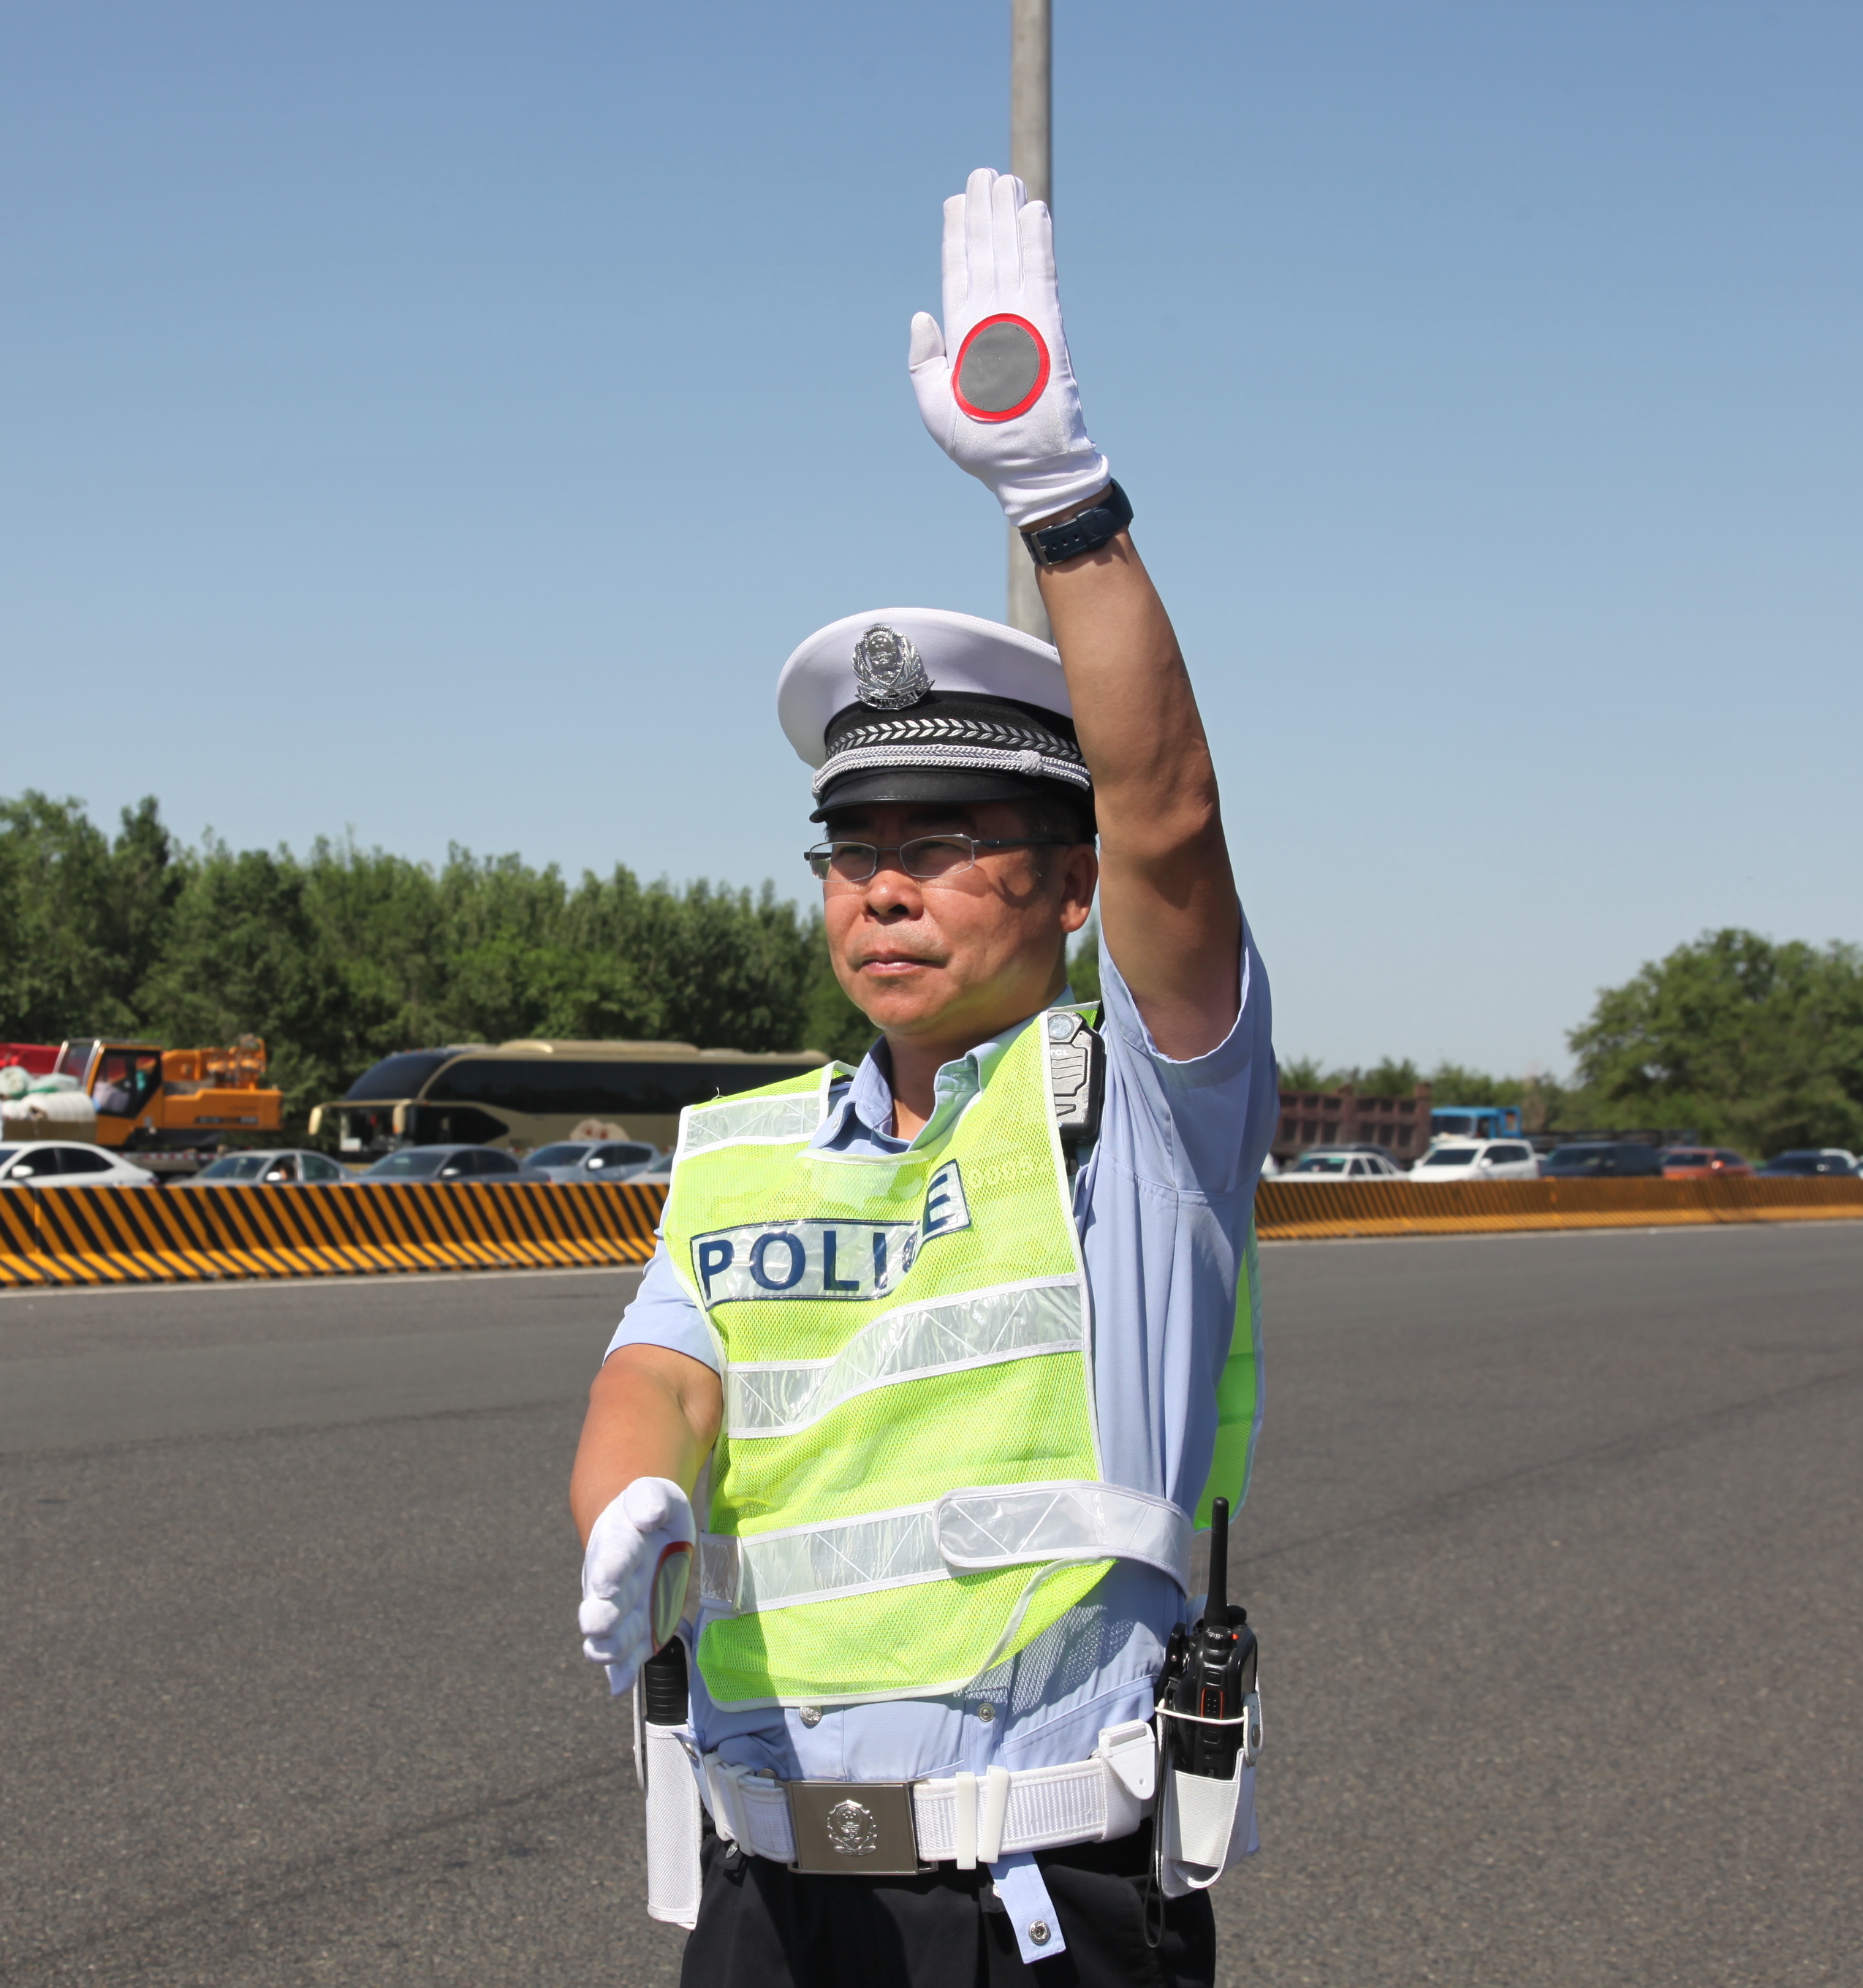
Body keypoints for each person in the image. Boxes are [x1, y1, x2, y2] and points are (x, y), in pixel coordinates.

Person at [566, 168, 1275, 1986]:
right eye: (852, 843)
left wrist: (1063, 503)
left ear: (1063, 883)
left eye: (954, 841)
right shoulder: (736, 1153)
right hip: (768, 1902)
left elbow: (1177, 827)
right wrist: (630, 1500)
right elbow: (661, 1376)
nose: (884, 880)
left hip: (1036, 1912)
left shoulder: (1143, 1119)